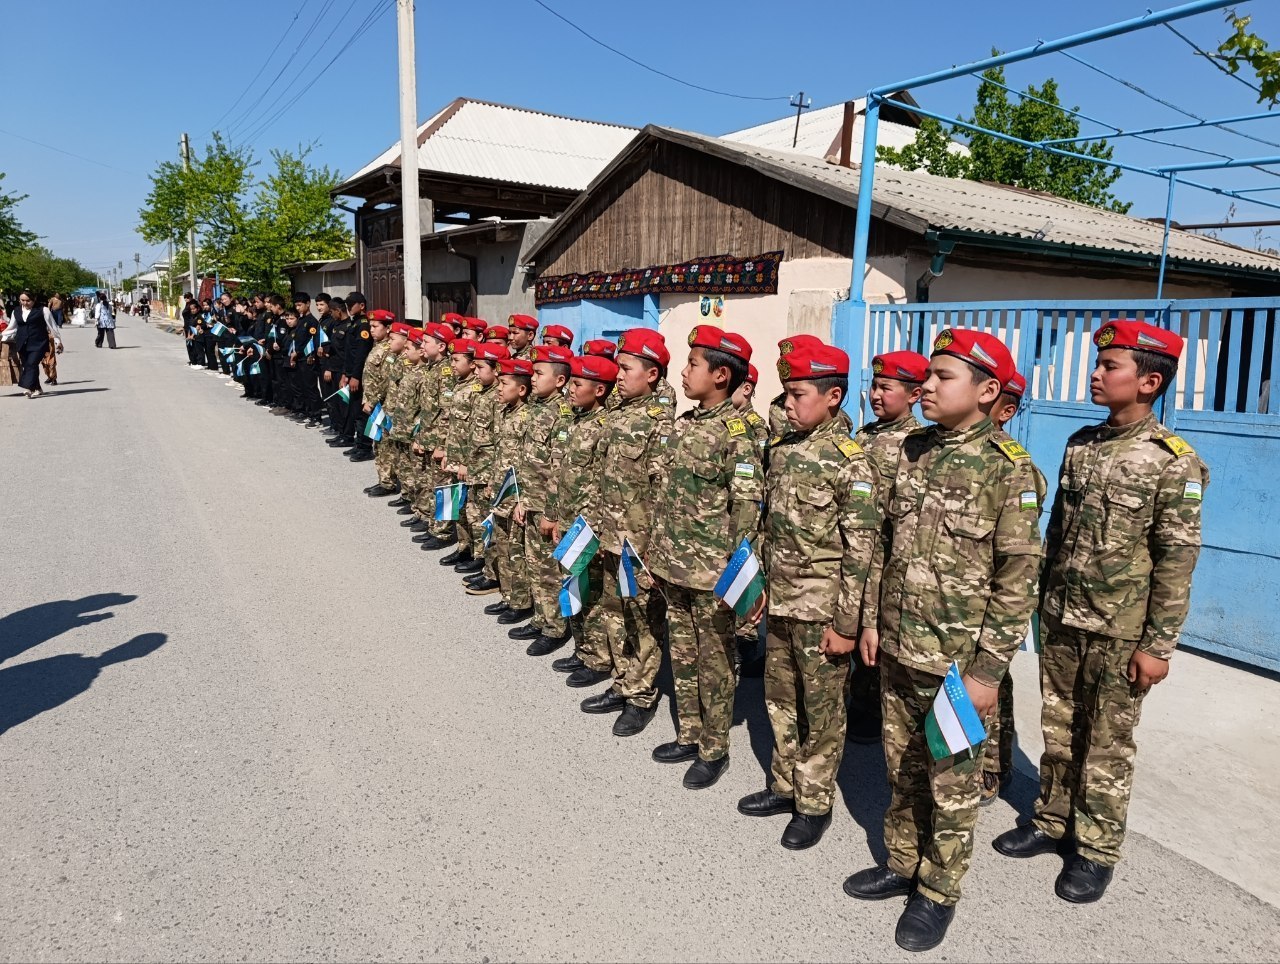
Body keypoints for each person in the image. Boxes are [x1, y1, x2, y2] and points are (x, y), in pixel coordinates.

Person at [992, 319, 1207, 905]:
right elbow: (1057, 531)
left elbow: (1176, 560)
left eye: (1111, 366)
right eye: (1100, 363)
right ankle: (1052, 819)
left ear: (1149, 381)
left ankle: (1095, 848)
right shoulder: (1081, 444)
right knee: (1059, 728)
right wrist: (1038, 604)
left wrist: (1157, 646)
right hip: (1063, 616)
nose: (1096, 373)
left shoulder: (1173, 461)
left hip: (1122, 626)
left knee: (1107, 740)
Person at [843, 328, 1043, 954]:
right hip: (901, 644)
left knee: (953, 780)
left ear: (987, 393)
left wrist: (987, 671)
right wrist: (872, 619)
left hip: (958, 666)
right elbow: (884, 545)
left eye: (942, 377)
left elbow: (1018, 583)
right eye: (925, 375)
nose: (926, 386)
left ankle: (938, 889)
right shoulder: (911, 451)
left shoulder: (1011, 472)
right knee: (902, 766)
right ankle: (903, 861)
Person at [737, 338, 881, 850]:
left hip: (822, 612)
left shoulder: (851, 461)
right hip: (779, 602)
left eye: (798, 394)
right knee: (779, 700)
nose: (789, 403)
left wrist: (846, 624)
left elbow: (861, 553)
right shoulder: (784, 450)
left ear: (834, 396)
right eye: (787, 393)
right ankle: (783, 785)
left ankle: (814, 802)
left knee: (821, 713)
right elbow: (766, 531)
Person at [648, 325, 763, 782]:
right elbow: (664, 496)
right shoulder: (683, 425)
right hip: (673, 564)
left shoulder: (736, 432)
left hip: (711, 572)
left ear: (720, 375)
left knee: (714, 660)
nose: (683, 370)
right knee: (683, 653)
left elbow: (747, 508)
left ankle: (715, 748)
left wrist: (738, 577)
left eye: (692, 364)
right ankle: (690, 733)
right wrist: (657, 557)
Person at [574, 329, 673, 732]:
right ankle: (622, 680)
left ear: (651, 374)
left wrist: (652, 550)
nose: (618, 375)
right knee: (615, 613)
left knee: (642, 618)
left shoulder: (659, 422)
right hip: (610, 534)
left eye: (627, 368)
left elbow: (663, 494)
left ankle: (641, 695)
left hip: (638, 544)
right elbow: (602, 478)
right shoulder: (619, 412)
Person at [847, 350, 928, 744]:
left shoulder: (917, 444)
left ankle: (875, 708)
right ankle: (859, 703)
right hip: (855, 546)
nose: (876, 395)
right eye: (874, 386)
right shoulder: (863, 436)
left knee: (877, 626)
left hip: (888, 549)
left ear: (914, 395)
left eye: (886, 388)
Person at [980, 369, 1037, 805]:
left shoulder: (1015, 466)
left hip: (988, 603)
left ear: (1006, 408)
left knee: (993, 687)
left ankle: (993, 766)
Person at [543, 353, 618, 681]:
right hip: (569, 520)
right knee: (574, 583)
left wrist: (599, 529)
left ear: (599, 390)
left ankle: (598, 659)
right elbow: (560, 474)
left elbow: (606, 484)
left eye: (578, 384)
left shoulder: (604, 427)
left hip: (589, 525)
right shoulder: (572, 420)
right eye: (571, 382)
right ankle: (582, 647)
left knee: (593, 593)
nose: (571, 390)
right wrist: (556, 515)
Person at [510, 344, 575, 655]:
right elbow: (529, 462)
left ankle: (555, 626)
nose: (533, 378)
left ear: (560, 381)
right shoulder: (537, 407)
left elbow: (558, 471)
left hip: (548, 507)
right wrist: (523, 499)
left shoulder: (561, 415)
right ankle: (540, 617)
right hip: (531, 501)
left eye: (539, 373)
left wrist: (552, 512)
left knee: (550, 570)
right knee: (535, 566)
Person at [11, 290, 63, 397]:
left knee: (32, 363)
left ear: (34, 299)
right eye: (22, 300)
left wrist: (58, 341)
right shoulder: (16, 311)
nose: (25, 303)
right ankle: (37, 388)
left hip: (39, 342)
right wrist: (3, 336)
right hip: (22, 343)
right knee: (28, 366)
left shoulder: (43, 310)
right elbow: (12, 327)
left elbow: (52, 326)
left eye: (28, 300)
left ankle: (29, 387)